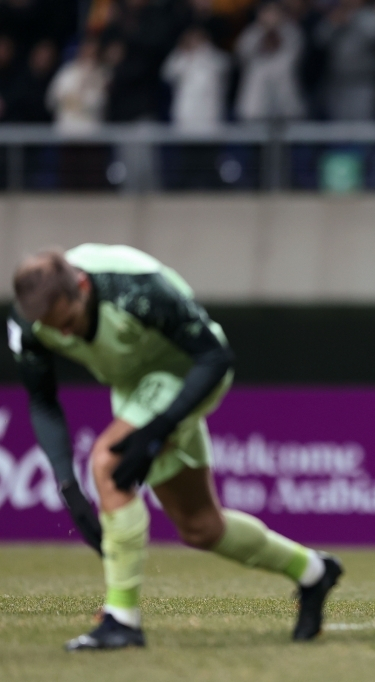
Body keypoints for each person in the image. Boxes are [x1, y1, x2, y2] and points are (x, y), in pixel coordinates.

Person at [8, 245, 342, 650]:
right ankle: (313, 571)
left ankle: (121, 619)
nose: (65, 336)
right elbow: (42, 402)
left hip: (189, 371)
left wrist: (159, 429)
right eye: (54, 328)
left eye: (70, 323)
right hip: (134, 387)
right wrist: (67, 486)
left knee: (108, 463)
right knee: (202, 528)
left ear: (82, 285)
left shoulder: (136, 290)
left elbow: (215, 356)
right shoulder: (30, 323)